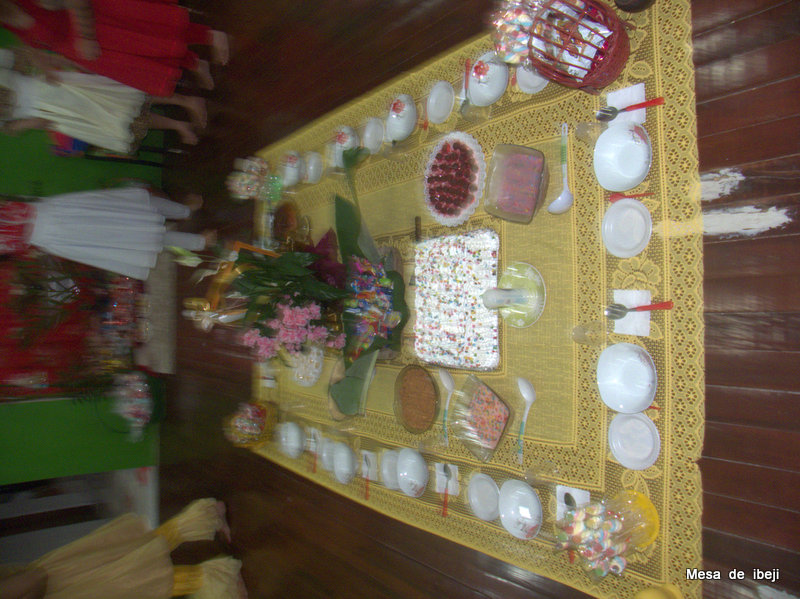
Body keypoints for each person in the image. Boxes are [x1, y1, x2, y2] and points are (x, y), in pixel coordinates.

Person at [0, 498, 248, 599]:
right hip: (56, 580)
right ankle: (206, 517)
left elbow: (34, 579)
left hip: (57, 587)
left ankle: (217, 578)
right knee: (131, 560)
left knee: (134, 580)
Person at [0, 0, 229, 94]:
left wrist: (86, 37)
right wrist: (45, 66)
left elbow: (77, 2)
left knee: (155, 34)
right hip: (85, 50)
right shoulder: (5, 18)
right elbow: (30, 40)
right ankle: (195, 63)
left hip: (96, 25)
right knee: (149, 56)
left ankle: (210, 36)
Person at [1, 46, 206, 150]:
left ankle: (186, 101)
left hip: (52, 88)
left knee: (126, 97)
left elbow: (24, 54)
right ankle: (178, 125)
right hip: (56, 117)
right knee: (122, 122)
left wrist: (48, 67)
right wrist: (25, 124)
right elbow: (7, 127)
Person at [1, 187, 214, 280]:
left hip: (55, 213)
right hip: (59, 229)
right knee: (136, 234)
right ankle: (198, 240)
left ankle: (185, 212)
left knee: (131, 205)